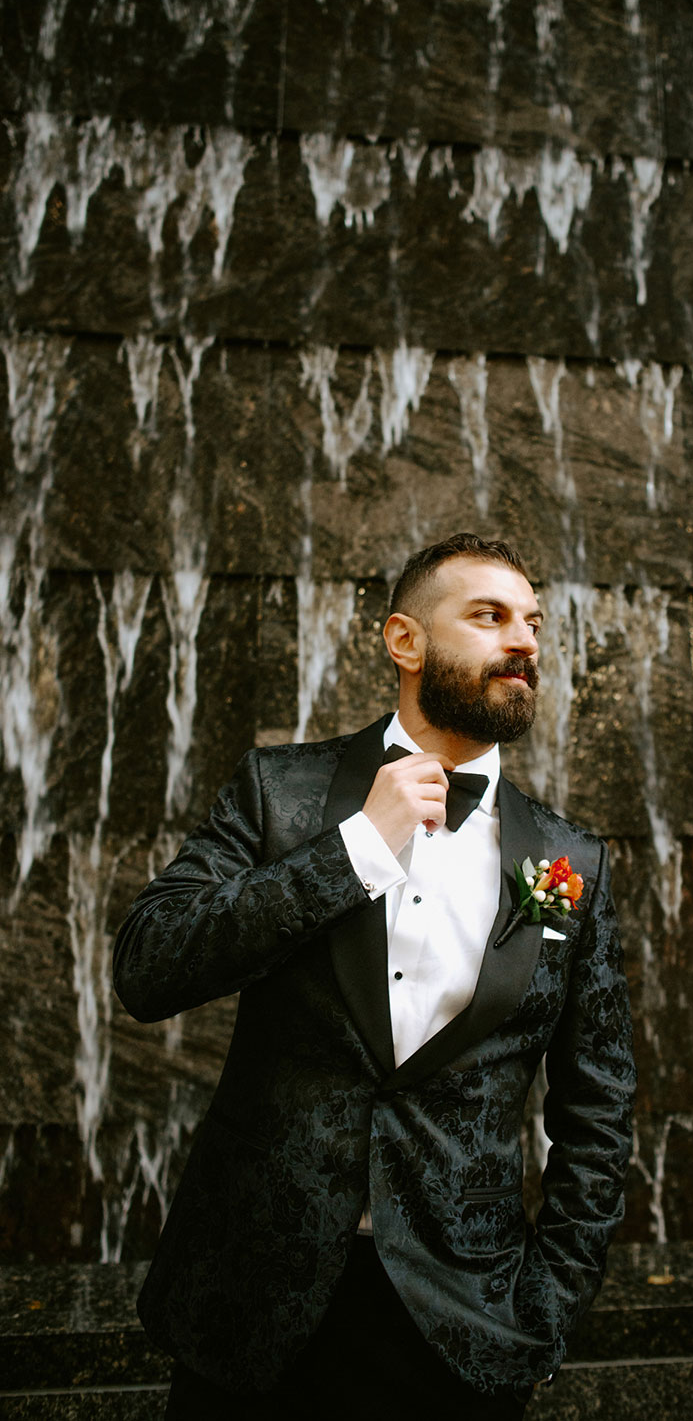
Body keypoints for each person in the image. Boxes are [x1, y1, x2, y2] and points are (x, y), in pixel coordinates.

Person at [114, 533, 635, 1419]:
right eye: (489, 616)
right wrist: (354, 848)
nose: (525, 642)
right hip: (251, 1309)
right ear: (404, 641)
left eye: (533, 622)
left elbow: (600, 1107)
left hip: (463, 1323)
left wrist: (548, 1309)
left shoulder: (570, 858)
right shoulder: (282, 791)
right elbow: (149, 963)